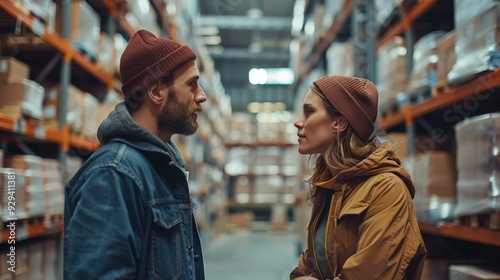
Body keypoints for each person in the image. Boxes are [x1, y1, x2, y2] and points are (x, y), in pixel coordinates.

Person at [64, 29, 207, 279]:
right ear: (156, 92)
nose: (201, 95)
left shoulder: (159, 168)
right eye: (191, 84)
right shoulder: (114, 175)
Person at [290, 75, 427, 280]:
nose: (298, 122)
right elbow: (308, 265)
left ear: (340, 123)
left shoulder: (387, 189)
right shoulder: (331, 186)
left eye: (309, 111)